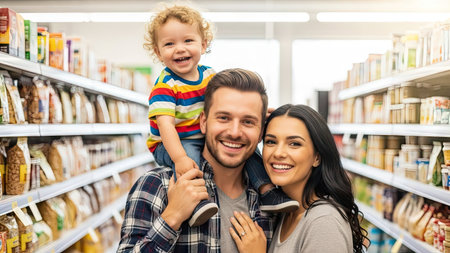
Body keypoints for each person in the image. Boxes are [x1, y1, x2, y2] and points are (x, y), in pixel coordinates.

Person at [145, 4, 297, 226]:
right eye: (169, 44)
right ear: (158, 52)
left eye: (188, 41)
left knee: (253, 151)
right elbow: (166, 126)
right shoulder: (165, 86)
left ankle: (267, 192)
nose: (179, 49)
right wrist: (179, 159)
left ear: (203, 44)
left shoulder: (208, 74)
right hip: (173, 142)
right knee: (190, 163)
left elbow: (227, 101)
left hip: (198, 135)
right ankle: (194, 202)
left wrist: (256, 114)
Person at [118, 68, 279, 252]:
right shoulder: (156, 186)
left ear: (261, 132)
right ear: (203, 122)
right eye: (223, 118)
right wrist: (172, 217)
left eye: (248, 121)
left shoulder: (273, 202)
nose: (235, 132)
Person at [229, 104, 369, 253]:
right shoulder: (286, 213)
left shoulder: (324, 222)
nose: (278, 153)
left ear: (317, 157)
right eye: (271, 141)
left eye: (294, 144)